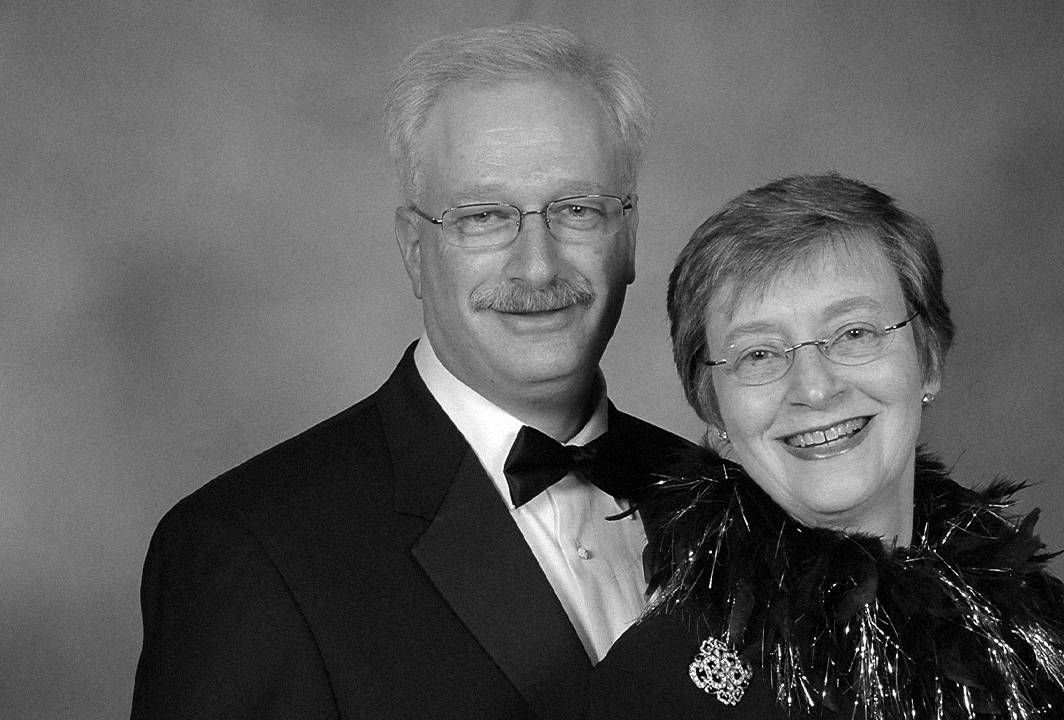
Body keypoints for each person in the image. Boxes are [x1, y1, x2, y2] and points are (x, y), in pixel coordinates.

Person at [130, 24, 689, 720]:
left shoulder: (727, 503)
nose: (539, 265)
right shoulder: (251, 550)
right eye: (484, 217)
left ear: (630, 237)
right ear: (413, 249)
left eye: (577, 209)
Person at [587, 174, 1064, 719]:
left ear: (927, 358)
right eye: (759, 354)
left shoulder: (1007, 629)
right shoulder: (654, 689)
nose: (814, 388)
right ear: (714, 410)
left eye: (854, 333)